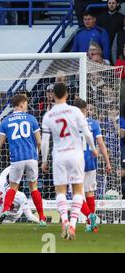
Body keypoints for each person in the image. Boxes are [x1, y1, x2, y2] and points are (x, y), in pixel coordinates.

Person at [41, 83, 98, 240]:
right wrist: (93, 148)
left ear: (53, 95)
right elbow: (86, 133)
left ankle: (64, 220)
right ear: (66, 94)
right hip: (75, 154)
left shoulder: (48, 115)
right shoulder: (75, 111)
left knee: (61, 191)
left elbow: (45, 141)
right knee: (78, 191)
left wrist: (44, 160)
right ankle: (72, 224)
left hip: (59, 155)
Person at [0, 94, 47, 226]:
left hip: (16, 159)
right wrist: (35, 156)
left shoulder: (6, 121)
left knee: (13, 187)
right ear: (21, 104)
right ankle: (42, 217)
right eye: (26, 103)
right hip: (31, 158)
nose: (27, 106)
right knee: (34, 188)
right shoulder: (31, 119)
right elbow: (39, 142)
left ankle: (5, 211)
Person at [73, 98, 112, 233]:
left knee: (76, 195)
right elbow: (100, 144)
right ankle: (92, 225)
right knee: (89, 193)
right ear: (85, 110)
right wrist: (107, 162)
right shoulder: (94, 123)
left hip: (76, 162)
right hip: (91, 162)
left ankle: (90, 219)